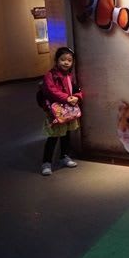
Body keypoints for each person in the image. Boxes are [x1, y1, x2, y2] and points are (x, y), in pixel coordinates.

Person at [40, 47, 83, 176]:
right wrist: (67, 98)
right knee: (53, 137)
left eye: (69, 60)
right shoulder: (50, 75)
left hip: (67, 111)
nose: (66, 62)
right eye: (63, 59)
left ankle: (64, 156)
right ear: (56, 60)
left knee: (66, 135)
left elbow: (77, 89)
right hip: (55, 112)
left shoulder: (69, 76)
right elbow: (51, 90)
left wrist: (77, 97)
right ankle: (46, 162)